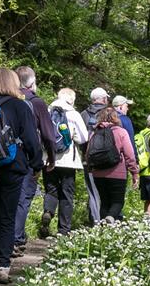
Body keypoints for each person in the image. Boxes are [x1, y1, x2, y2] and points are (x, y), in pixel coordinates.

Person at [0, 68, 43, 284]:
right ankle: (4, 265)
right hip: (13, 165)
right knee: (8, 214)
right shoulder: (20, 105)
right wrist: (37, 165)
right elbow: (30, 139)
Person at [12, 66, 56, 257]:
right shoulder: (36, 102)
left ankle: (1, 242)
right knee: (23, 199)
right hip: (28, 158)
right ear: (31, 83)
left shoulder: (6, 97)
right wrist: (50, 158)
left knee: (5, 200)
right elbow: (48, 134)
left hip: (3, 155)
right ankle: (16, 239)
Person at [40, 88, 88, 238]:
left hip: (48, 158)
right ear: (71, 100)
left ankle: (48, 211)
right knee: (67, 194)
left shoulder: (47, 111)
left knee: (50, 189)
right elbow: (83, 138)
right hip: (68, 160)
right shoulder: (74, 114)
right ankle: (63, 230)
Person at [87, 108, 139, 222]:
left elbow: (88, 152)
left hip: (98, 173)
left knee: (104, 202)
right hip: (117, 173)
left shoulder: (95, 132)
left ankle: (103, 228)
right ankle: (110, 218)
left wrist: (91, 168)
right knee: (117, 201)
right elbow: (129, 155)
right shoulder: (121, 132)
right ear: (116, 118)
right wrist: (134, 173)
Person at [80, 87, 109, 226]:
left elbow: (80, 138)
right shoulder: (110, 113)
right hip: (108, 161)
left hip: (89, 159)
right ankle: (106, 222)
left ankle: (95, 222)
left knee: (92, 192)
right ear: (103, 99)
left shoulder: (83, 114)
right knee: (106, 191)